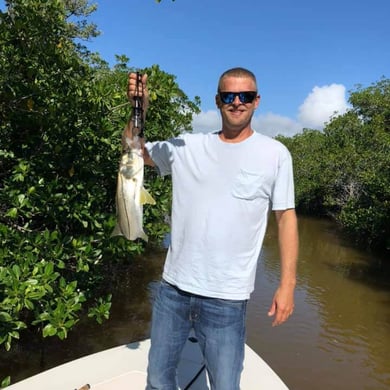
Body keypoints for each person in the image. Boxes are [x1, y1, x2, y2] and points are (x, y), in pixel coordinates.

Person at [125, 67, 298, 390]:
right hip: (173, 290)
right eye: (228, 96)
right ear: (217, 101)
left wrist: (287, 284)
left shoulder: (275, 154)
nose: (236, 102)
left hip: (227, 299)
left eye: (244, 96)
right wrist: (139, 110)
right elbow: (135, 153)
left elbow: (285, 217)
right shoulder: (186, 146)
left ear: (256, 101)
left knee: (225, 385)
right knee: (159, 379)